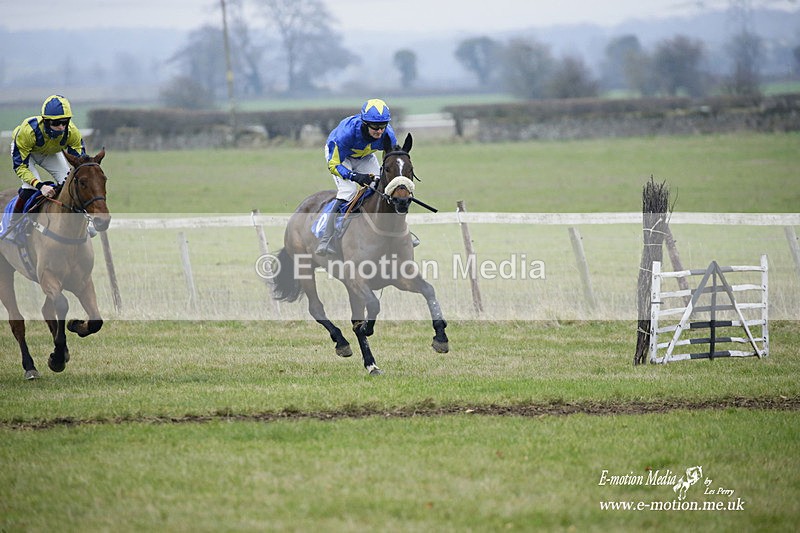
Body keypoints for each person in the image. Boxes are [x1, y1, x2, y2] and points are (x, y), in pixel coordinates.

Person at [316, 98, 398, 256]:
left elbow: (390, 160)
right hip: (341, 158)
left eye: (383, 126)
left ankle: (395, 230)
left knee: (381, 186)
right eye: (375, 127)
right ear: (365, 124)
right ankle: (326, 238)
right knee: (348, 190)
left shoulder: (388, 135)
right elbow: (333, 165)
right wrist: (355, 176)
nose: (380, 131)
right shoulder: (345, 134)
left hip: (366, 156)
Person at [10, 94, 89, 229]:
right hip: (27, 154)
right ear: (45, 121)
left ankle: (81, 222)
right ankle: (13, 224)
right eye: (56, 123)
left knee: (69, 184)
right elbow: (20, 167)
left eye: (64, 122)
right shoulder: (28, 131)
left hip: (50, 153)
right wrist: (41, 186)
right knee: (30, 188)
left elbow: (80, 163)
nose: (61, 127)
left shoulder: (72, 132)